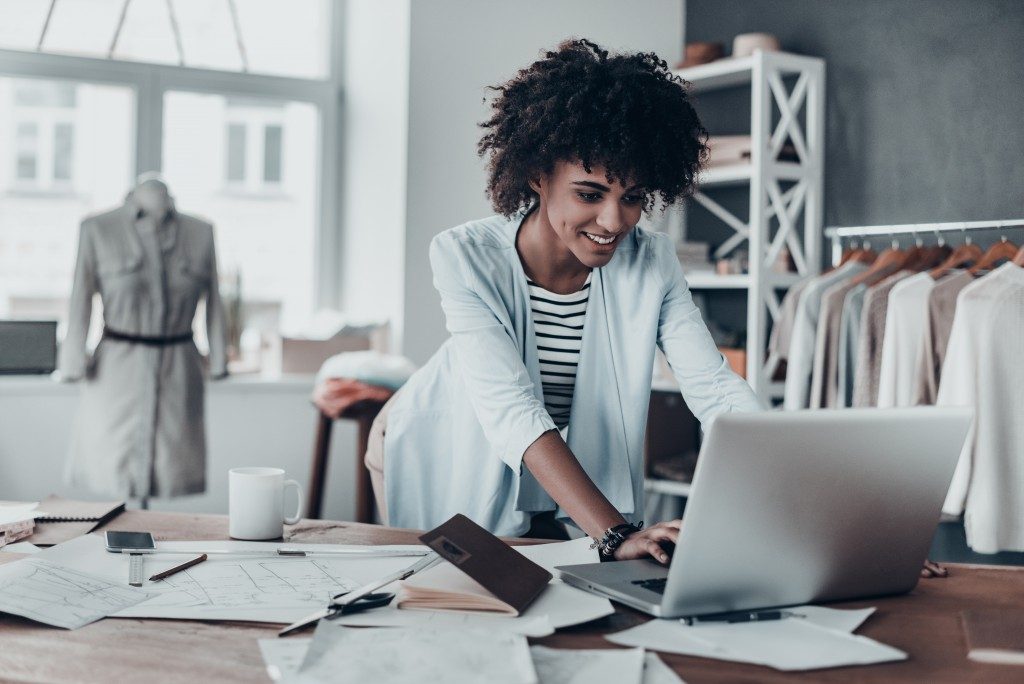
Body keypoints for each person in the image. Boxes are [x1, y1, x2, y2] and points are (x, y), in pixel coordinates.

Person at [365, 39, 762, 563]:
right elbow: (513, 410)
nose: (615, 222)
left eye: (633, 197)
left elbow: (714, 388)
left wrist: (788, 496)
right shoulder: (464, 257)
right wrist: (616, 534)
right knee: (457, 602)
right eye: (590, 194)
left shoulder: (652, 261)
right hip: (437, 437)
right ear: (538, 175)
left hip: (547, 452)